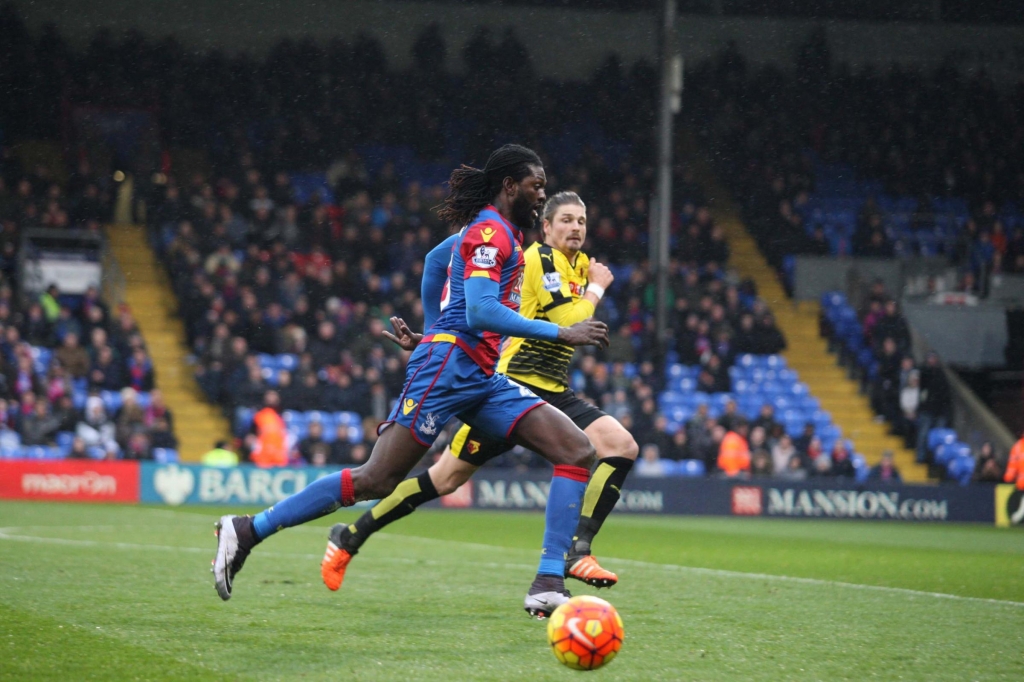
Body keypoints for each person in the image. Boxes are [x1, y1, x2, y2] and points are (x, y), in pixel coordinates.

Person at [212, 145, 609, 617]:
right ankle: (248, 529)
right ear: (509, 187)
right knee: (377, 479)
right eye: (536, 185)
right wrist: (560, 330)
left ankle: (547, 581)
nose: (541, 194)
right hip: (450, 371)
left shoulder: (499, 233)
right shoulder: (489, 233)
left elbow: (433, 264)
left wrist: (432, 329)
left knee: (576, 450)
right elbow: (482, 309)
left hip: (479, 375)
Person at [325, 191, 635, 597]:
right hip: (514, 384)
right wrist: (596, 289)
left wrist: (589, 280)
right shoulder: (540, 259)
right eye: (566, 220)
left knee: (620, 446)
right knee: (445, 478)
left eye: (581, 220)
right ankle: (350, 535)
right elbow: (570, 320)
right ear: (546, 226)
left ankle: (577, 551)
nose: (575, 227)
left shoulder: (576, 265)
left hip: (552, 390)